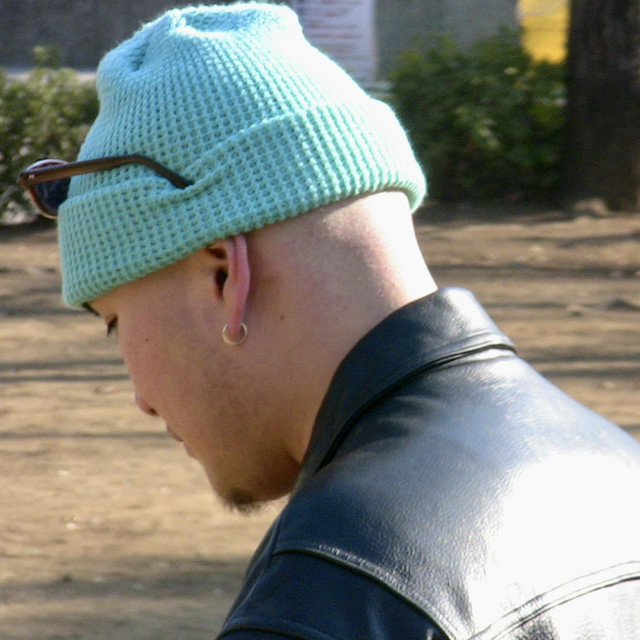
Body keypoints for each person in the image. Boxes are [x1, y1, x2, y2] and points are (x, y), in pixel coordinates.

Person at [20, 4, 640, 639]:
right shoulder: (617, 468)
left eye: (115, 322)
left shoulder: (333, 590)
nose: (142, 400)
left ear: (225, 276)